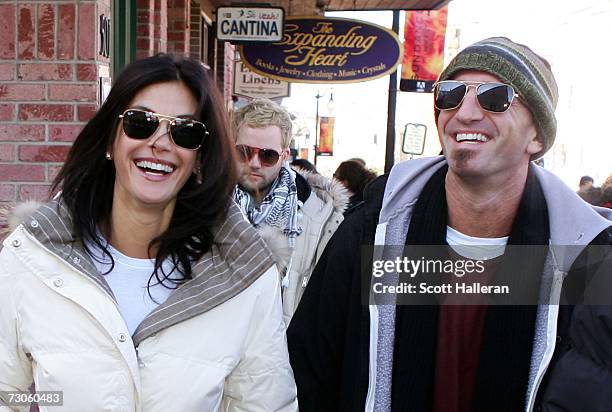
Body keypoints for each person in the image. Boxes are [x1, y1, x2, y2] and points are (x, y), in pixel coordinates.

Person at [288, 37, 612, 412]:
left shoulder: (585, 259)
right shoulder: (373, 233)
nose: (466, 113)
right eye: (451, 94)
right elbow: (308, 372)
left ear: (537, 136)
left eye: (494, 98)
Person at [0, 54, 297, 411]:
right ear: (110, 139)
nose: (161, 142)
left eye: (185, 131)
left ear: (200, 157)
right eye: (141, 123)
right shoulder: (31, 259)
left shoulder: (244, 277)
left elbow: (264, 405)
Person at [232, 98, 348, 324]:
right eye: (245, 152)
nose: (254, 163)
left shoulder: (323, 220)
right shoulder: (207, 206)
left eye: (267, 155)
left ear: (284, 156)